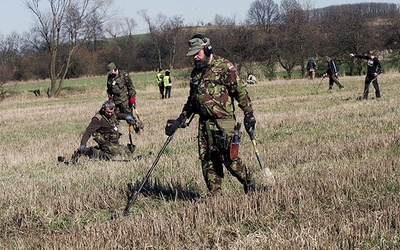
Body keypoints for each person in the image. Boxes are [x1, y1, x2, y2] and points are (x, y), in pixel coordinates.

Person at [165, 34, 256, 195]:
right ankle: (215, 194)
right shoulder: (196, 73)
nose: (195, 57)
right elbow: (192, 100)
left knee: (229, 158)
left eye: (197, 53)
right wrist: (180, 119)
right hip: (204, 123)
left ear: (207, 49)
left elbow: (240, 92)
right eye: (193, 54)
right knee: (207, 160)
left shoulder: (225, 67)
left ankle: (248, 181)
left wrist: (249, 113)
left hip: (224, 122)